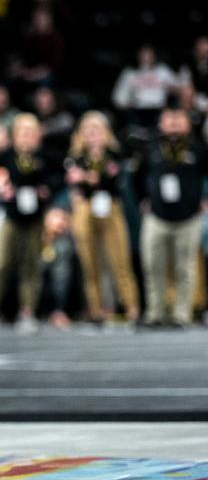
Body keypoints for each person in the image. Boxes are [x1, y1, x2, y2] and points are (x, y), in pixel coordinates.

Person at [0, 113, 64, 336]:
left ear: (37, 136)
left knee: (31, 267)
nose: (26, 137)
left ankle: (27, 313)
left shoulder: (45, 156)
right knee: (0, 264)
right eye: (22, 132)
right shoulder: (5, 157)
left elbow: (60, 178)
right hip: (10, 217)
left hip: (35, 220)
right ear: (14, 136)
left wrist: (48, 190)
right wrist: (0, 187)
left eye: (31, 133)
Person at [133, 107, 208, 327]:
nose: (174, 122)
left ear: (187, 122)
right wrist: (142, 199)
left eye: (179, 118)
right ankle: (155, 312)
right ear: (161, 123)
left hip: (189, 216)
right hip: (156, 216)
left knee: (185, 267)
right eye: (169, 118)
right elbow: (137, 176)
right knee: (153, 265)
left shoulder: (198, 148)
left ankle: (181, 314)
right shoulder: (151, 146)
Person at [65, 112, 139, 324]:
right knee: (89, 261)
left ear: (105, 133)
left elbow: (110, 179)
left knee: (120, 259)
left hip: (110, 207)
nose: (92, 135)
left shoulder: (115, 153)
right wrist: (91, 179)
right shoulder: (75, 157)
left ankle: (131, 307)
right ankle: (96, 310)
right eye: (87, 131)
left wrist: (88, 178)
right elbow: (75, 184)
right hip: (85, 208)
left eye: (96, 130)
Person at [112, 45, 180, 128]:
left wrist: (171, 90)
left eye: (149, 54)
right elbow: (118, 98)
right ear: (138, 56)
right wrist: (128, 104)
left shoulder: (162, 70)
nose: (146, 58)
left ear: (154, 56)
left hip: (159, 110)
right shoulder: (130, 73)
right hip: (138, 110)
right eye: (143, 54)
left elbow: (179, 88)